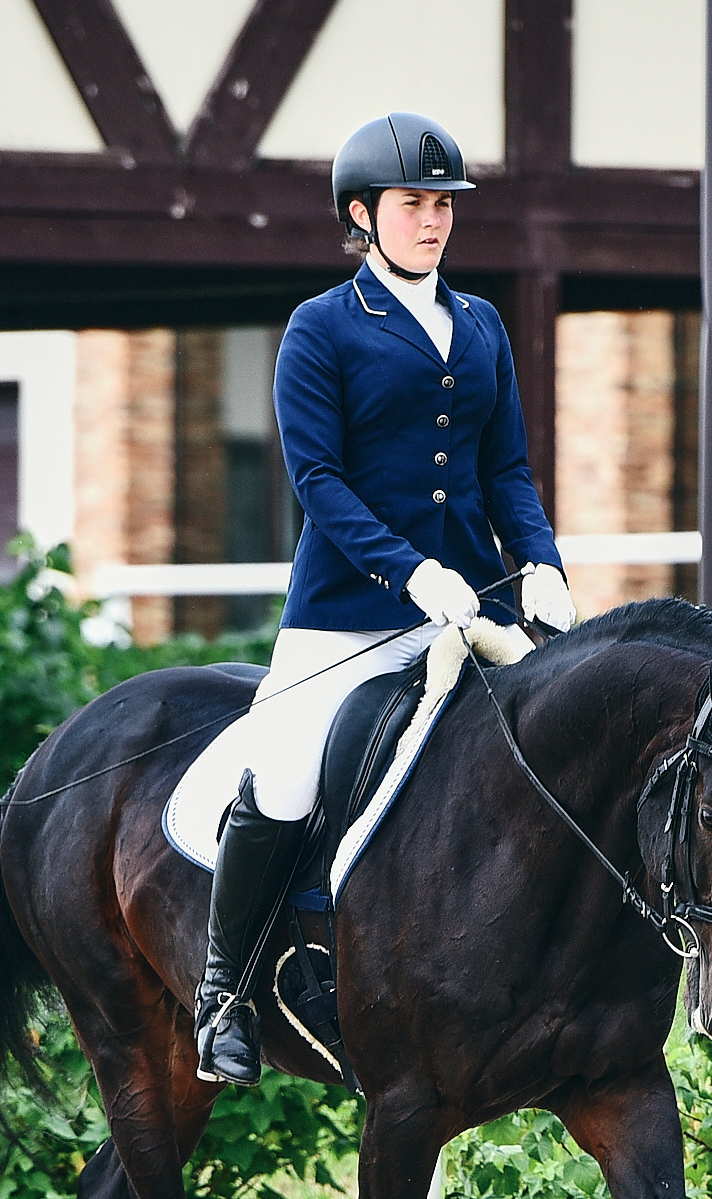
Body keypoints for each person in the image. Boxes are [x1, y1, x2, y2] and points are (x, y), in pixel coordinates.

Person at [191, 110, 576, 1086]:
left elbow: (508, 468)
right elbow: (317, 479)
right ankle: (224, 992)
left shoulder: (480, 324)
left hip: (468, 615)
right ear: (363, 214)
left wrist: (540, 562)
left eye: (444, 204)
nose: (434, 219)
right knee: (281, 777)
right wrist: (409, 570)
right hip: (345, 617)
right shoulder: (320, 329)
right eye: (414, 203)